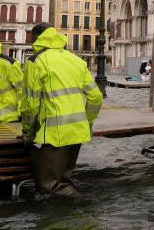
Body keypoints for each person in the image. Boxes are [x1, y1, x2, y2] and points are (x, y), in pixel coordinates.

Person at [21, 22, 103, 198]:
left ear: (36, 38)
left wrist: (28, 132)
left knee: (48, 189)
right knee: (64, 181)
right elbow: (96, 97)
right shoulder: (76, 60)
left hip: (51, 134)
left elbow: (31, 104)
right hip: (76, 132)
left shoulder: (35, 62)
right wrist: (86, 122)